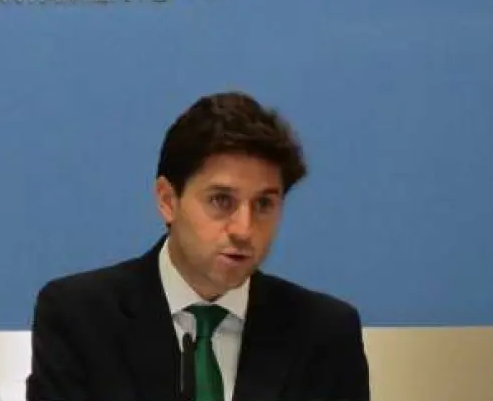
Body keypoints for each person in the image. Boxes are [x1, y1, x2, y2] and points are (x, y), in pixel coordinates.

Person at [25, 91, 370, 401]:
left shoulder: (324, 334)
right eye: (221, 200)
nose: (244, 229)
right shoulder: (80, 318)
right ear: (167, 200)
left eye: (264, 204)